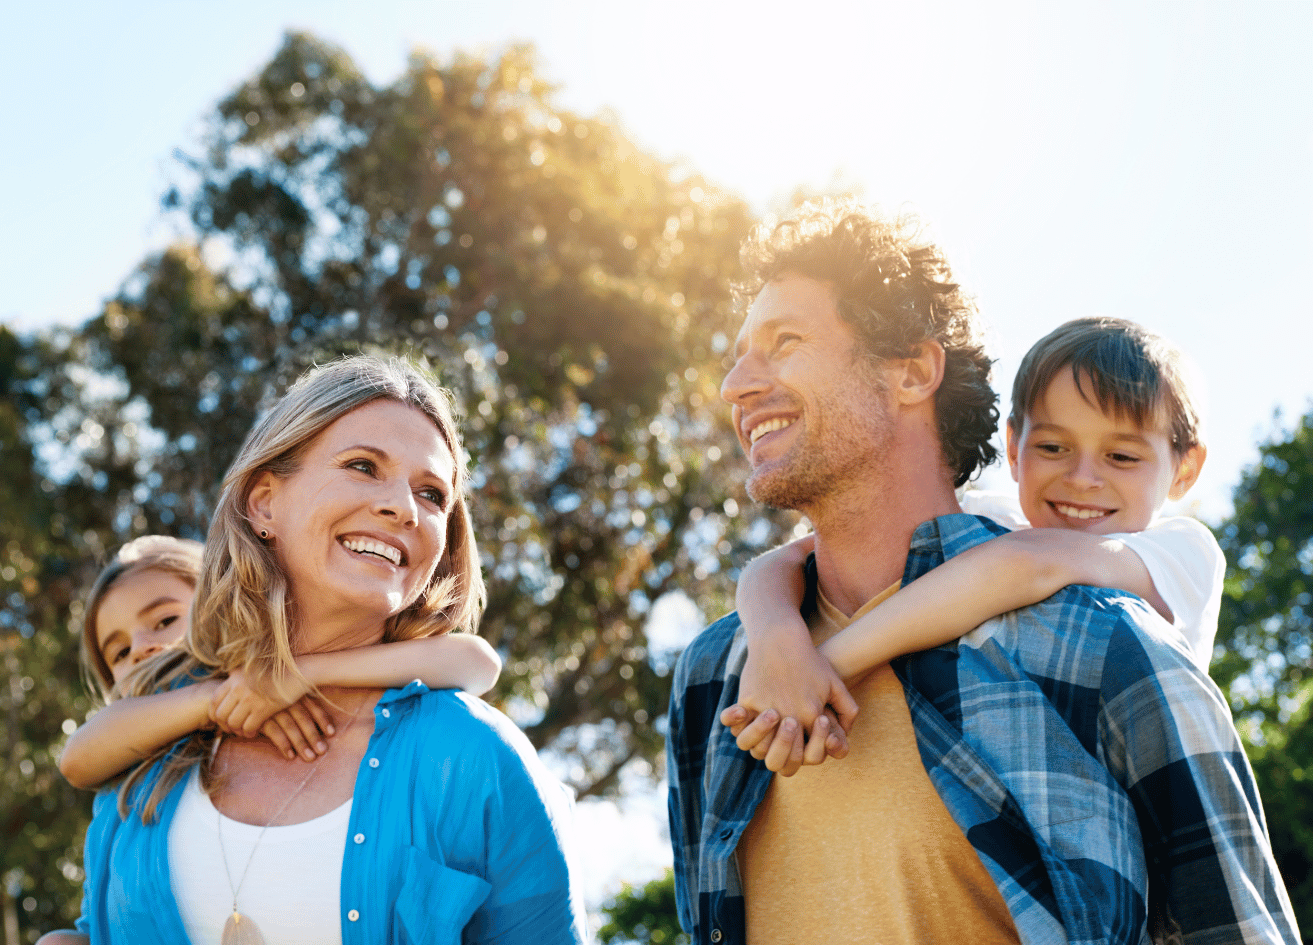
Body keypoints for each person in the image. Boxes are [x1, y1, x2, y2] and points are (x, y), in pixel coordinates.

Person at [665, 199, 1298, 944]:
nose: (734, 382)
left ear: (912, 370)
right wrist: (775, 636)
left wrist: (822, 660)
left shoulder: (1105, 649)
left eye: (784, 341)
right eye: (739, 351)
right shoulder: (716, 674)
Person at [65, 356, 587, 945]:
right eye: (363, 466)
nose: (404, 508)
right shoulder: (148, 760)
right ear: (264, 503)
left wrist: (295, 675)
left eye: (432, 494)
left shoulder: (474, 759)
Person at [723, 317, 1225, 770]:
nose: (1082, 477)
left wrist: (826, 668)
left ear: (1185, 469)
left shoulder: (1183, 552)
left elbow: (1029, 565)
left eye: (1121, 456)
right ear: (1013, 448)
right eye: (1053, 448)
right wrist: (777, 642)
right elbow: (787, 559)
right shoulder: (996, 522)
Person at [58, 532, 502, 789]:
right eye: (117, 651)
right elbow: (75, 761)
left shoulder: (284, 660)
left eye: (163, 619)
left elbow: (476, 662)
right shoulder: (129, 733)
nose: (140, 648)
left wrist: (296, 676)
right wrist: (221, 701)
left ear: (219, 597)